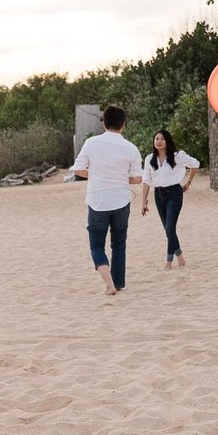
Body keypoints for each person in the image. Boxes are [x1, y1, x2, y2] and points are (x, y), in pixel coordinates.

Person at [71, 104, 144, 294]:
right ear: (123, 125)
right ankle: (119, 283)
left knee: (96, 245)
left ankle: (109, 285)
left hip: (97, 200)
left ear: (104, 123)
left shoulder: (91, 143)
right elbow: (137, 178)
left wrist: (96, 174)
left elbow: (78, 170)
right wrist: (119, 176)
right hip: (121, 199)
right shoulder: (131, 147)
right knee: (119, 244)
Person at [139, 128, 200, 269]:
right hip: (158, 195)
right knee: (168, 230)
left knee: (169, 227)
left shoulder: (177, 156)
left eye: (162, 139)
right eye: (156, 139)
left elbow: (195, 164)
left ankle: (168, 262)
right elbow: (146, 181)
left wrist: (188, 182)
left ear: (167, 141)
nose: (159, 141)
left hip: (174, 194)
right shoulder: (149, 159)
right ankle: (181, 258)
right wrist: (143, 202)